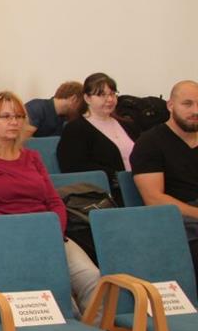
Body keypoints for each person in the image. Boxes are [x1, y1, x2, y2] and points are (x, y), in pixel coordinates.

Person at [0, 92, 99, 312]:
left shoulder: (32, 156)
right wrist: (25, 234)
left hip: (49, 233)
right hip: (8, 237)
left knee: (92, 278)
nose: (14, 122)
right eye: (6, 116)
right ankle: (68, 328)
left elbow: (54, 201)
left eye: (18, 116)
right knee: (62, 299)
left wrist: (54, 230)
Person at [131, 80, 198, 265]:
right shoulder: (150, 142)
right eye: (187, 104)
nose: (195, 111)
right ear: (170, 105)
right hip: (178, 219)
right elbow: (154, 199)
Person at [58, 73, 138, 201]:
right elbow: (74, 167)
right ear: (87, 98)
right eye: (102, 95)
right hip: (104, 194)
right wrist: (116, 177)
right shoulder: (75, 129)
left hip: (139, 186)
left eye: (112, 94)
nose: (110, 99)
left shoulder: (128, 125)